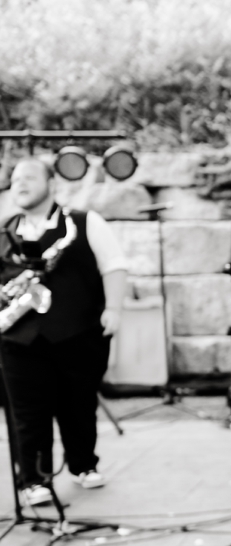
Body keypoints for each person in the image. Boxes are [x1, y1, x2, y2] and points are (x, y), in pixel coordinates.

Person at [0, 157, 128, 507]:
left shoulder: (84, 223)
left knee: (79, 405)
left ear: (52, 182)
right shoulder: (3, 232)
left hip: (79, 332)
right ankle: (34, 479)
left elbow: (114, 266)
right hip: (18, 339)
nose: (20, 184)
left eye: (28, 177)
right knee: (26, 414)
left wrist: (113, 309)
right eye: (14, 180)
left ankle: (83, 465)